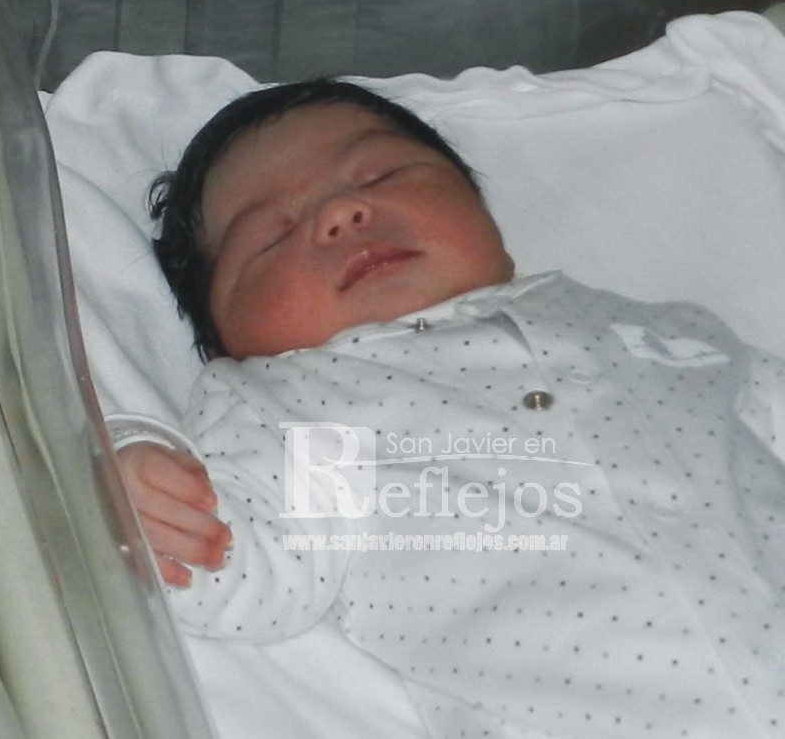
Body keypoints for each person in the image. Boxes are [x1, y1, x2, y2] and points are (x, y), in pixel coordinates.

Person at [117, 79, 785, 736]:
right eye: (272, 234)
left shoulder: (661, 331)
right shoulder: (299, 404)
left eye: (382, 175)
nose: (341, 213)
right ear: (225, 344)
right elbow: (250, 568)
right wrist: (144, 486)